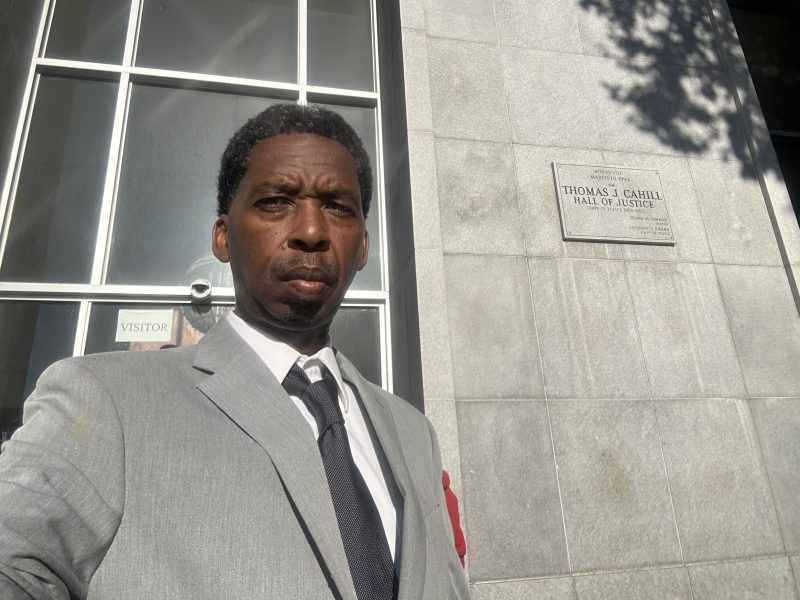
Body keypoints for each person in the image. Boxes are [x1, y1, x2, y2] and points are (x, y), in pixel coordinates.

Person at [0, 103, 470, 599]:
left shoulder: (413, 432)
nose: (311, 231)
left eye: (337, 206)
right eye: (276, 202)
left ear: (364, 248)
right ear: (223, 237)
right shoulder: (106, 401)